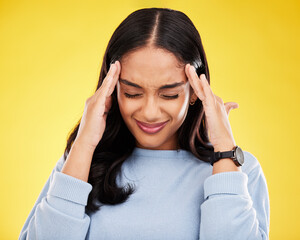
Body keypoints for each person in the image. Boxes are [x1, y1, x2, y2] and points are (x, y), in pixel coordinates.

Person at [19, 7, 270, 240]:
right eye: (132, 93)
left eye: (169, 95)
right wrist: (84, 143)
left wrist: (225, 148)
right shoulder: (77, 165)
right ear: (112, 89)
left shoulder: (239, 171)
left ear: (195, 91)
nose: (149, 112)